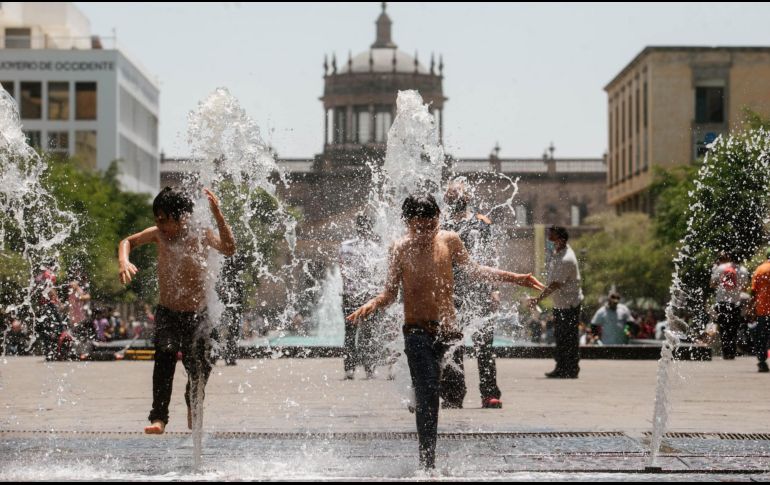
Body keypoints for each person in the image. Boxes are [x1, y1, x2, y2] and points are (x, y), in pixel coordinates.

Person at [347, 193, 544, 470]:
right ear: (407, 223)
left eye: (431, 226)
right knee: (429, 393)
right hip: (416, 331)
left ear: (439, 219)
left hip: (447, 334)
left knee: (431, 390)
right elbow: (390, 294)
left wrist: (515, 278)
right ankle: (427, 465)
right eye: (419, 227)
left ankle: (418, 393)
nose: (426, 233)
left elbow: (474, 271)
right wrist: (372, 304)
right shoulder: (399, 248)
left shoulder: (449, 240)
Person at [118, 186, 236, 435]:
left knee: (200, 368)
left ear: (182, 217)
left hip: (199, 315)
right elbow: (128, 241)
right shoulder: (158, 235)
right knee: (164, 356)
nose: (159, 225)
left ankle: (193, 400)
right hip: (168, 312)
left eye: (163, 219)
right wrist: (124, 261)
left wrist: (218, 215)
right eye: (156, 219)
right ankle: (159, 417)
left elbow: (229, 248)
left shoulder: (201, 233)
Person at [441, 179, 502, 409]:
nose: (453, 196)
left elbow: (491, 256)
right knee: (452, 344)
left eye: (457, 193)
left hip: (479, 292)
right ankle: (453, 394)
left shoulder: (481, 223)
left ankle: (489, 393)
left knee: (484, 344)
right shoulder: (442, 224)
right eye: (450, 193)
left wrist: (494, 289)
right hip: (451, 292)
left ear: (467, 197)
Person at [528, 226, 584, 379]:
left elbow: (554, 285)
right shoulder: (558, 252)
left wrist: (538, 299)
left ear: (561, 240)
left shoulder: (566, 259)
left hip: (569, 305)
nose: (549, 241)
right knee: (561, 337)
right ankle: (562, 368)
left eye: (552, 238)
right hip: (561, 304)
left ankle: (570, 369)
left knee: (568, 338)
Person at [339, 213, 384, 379]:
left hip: (350, 295)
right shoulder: (376, 248)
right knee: (369, 333)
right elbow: (377, 274)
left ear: (356, 227)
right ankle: (369, 369)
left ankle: (349, 370)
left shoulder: (345, 246)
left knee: (350, 333)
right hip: (368, 296)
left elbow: (342, 271)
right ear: (370, 227)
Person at [710, 252, 750, 360]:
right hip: (735, 303)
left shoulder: (721, 268)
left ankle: (725, 351)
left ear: (730, 258)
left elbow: (712, 284)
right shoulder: (743, 270)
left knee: (723, 327)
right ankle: (732, 352)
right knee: (733, 327)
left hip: (721, 302)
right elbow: (744, 288)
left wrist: (722, 286)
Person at [751, 248, 770, 373]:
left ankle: (762, 361)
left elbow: (753, 290)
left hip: (763, 309)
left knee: (762, 336)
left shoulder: (760, 269)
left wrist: (751, 308)